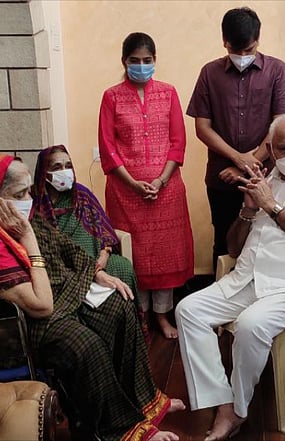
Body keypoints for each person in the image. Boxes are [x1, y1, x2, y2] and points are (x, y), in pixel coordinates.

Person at [0, 153, 183, 441]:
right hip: (19, 326)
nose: (27, 200)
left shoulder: (22, 218)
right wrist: (28, 239)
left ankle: (140, 404)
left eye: (28, 192)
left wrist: (97, 274)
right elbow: (41, 307)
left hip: (56, 297)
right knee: (86, 344)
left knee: (118, 307)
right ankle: (118, 430)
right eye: (18, 194)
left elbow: (66, 246)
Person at [175, 115, 285, 440]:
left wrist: (272, 207)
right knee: (188, 310)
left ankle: (236, 412)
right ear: (270, 149)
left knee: (251, 325)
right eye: (284, 148)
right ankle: (221, 398)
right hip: (249, 279)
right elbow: (235, 248)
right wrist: (248, 210)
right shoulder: (266, 179)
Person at [98, 32, 194, 339]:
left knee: (165, 255)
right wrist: (134, 183)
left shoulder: (168, 93)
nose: (142, 66)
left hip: (166, 191)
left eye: (147, 60)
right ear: (124, 62)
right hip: (126, 193)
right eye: (135, 61)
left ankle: (163, 317)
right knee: (134, 255)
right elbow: (108, 147)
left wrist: (160, 180)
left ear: (155, 61)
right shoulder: (111, 97)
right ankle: (138, 317)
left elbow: (178, 142)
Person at [186, 7, 285, 266]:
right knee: (224, 243)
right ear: (224, 41)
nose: (242, 56)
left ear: (258, 41)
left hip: (269, 178)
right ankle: (218, 302)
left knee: (268, 241)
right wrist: (239, 159)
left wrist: (251, 163)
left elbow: (281, 124)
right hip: (222, 178)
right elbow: (202, 128)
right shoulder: (209, 73)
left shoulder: (277, 71)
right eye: (235, 51)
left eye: (248, 50)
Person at [34, 145, 150, 341]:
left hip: (96, 258)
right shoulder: (36, 204)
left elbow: (104, 230)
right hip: (62, 266)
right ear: (45, 172)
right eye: (57, 167)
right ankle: (89, 332)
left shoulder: (82, 194)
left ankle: (129, 331)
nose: (64, 171)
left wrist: (104, 255)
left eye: (68, 165)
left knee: (123, 267)